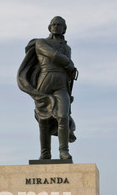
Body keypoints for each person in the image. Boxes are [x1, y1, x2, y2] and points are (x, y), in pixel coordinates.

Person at [17, 16, 78, 161]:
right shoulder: (40, 43)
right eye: (53, 24)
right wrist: (68, 63)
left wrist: (70, 74)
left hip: (62, 85)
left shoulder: (67, 48)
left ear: (65, 29)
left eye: (59, 25)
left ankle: (64, 151)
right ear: (49, 27)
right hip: (45, 82)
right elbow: (53, 55)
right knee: (43, 119)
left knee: (63, 116)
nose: (56, 27)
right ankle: (45, 153)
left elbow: (67, 69)